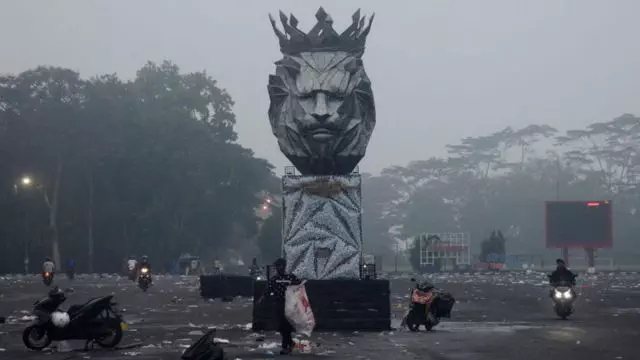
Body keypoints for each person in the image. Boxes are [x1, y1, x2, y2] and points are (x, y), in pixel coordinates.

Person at [257, 258, 300, 355]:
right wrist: (262, 299)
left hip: (290, 305)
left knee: (286, 326)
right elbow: (267, 291)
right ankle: (290, 343)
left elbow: (300, 289)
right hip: (279, 305)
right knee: (282, 326)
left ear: (283, 266)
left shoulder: (291, 277)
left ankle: (286, 346)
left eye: (279, 266)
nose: (277, 268)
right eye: (277, 266)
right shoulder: (274, 279)